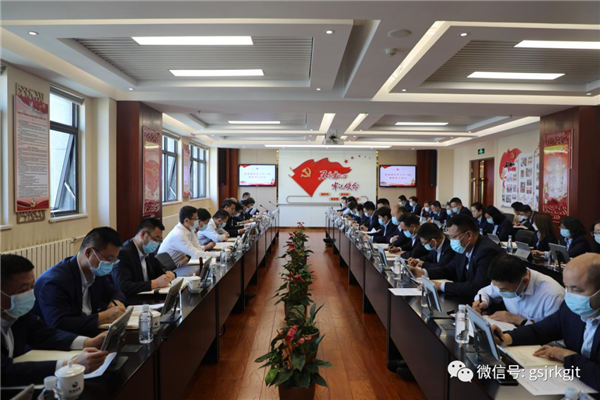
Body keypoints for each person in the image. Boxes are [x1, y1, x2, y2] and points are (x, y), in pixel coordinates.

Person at [492, 253, 600, 391]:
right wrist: (507, 337)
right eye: (567, 287)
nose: (569, 295)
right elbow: (543, 329)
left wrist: (568, 357)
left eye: (576, 289)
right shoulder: (571, 309)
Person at [1, 255, 108, 386]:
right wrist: (69, 365)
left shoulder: (17, 312)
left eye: (32, 286)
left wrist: (88, 342)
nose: (29, 294)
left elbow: (45, 335)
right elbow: (4, 372)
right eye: (23, 290)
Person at [34, 227, 127, 337]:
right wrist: (103, 317)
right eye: (109, 259)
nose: (111, 264)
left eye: (114, 260)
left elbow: (116, 291)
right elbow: (59, 324)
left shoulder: (97, 271)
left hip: (88, 333)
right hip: (61, 340)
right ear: (88, 252)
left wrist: (116, 301)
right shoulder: (55, 281)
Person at [409, 215, 503, 300]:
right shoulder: (465, 247)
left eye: (454, 237)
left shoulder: (487, 251)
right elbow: (450, 269)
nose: (452, 241)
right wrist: (423, 272)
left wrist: (441, 286)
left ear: (469, 235)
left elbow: (477, 287)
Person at [472, 254, 564, 325]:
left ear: (524, 281)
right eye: (498, 288)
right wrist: (482, 302)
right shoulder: (504, 281)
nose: (500, 292)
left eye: (504, 289)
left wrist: (516, 319)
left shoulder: (553, 295)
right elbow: (485, 292)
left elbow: (554, 334)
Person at [113, 218, 175, 300]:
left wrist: (169, 274)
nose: (157, 243)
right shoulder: (123, 254)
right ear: (143, 234)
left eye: (159, 240)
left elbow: (160, 271)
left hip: (148, 298)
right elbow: (124, 286)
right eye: (155, 239)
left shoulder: (148, 251)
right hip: (132, 301)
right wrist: (155, 283)